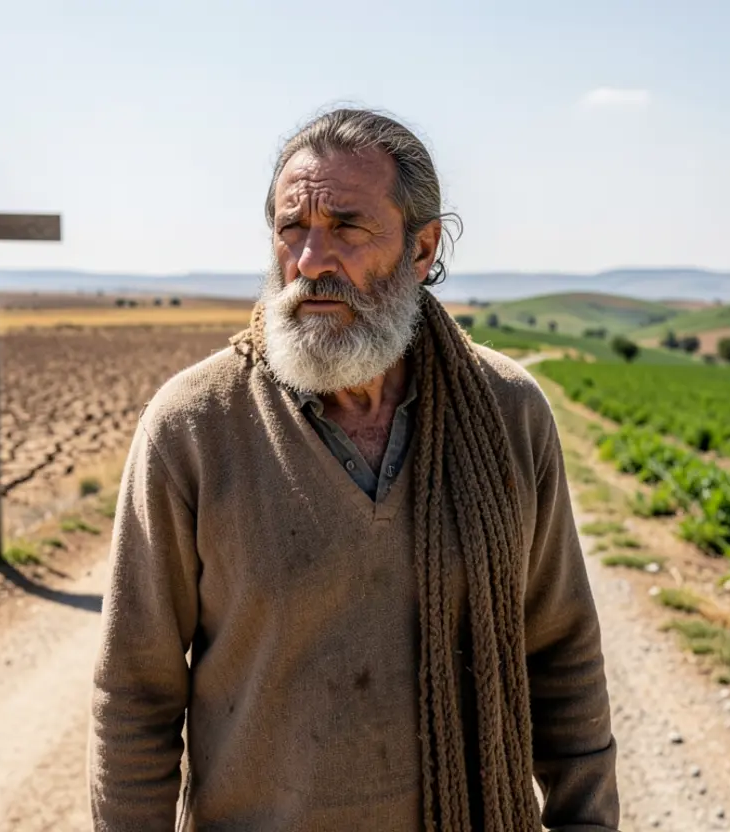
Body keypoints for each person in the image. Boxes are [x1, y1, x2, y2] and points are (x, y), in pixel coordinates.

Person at [88, 108, 619, 831]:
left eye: (346, 226)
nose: (310, 260)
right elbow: (134, 692)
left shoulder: (508, 415)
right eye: (291, 229)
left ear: (423, 248)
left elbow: (562, 653)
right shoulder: (193, 427)